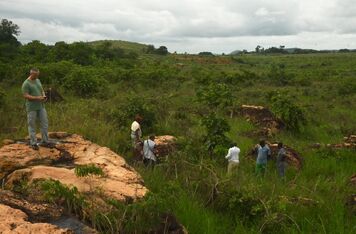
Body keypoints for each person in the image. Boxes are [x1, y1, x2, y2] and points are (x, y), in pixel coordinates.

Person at [21, 68, 49, 150]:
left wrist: (43, 96)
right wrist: (37, 98)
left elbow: (41, 89)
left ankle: (45, 141)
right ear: (31, 74)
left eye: (38, 75)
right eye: (36, 75)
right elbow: (26, 95)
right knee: (32, 124)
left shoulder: (38, 80)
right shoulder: (26, 83)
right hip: (32, 107)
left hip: (41, 106)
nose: (37, 76)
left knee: (44, 123)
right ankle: (33, 143)